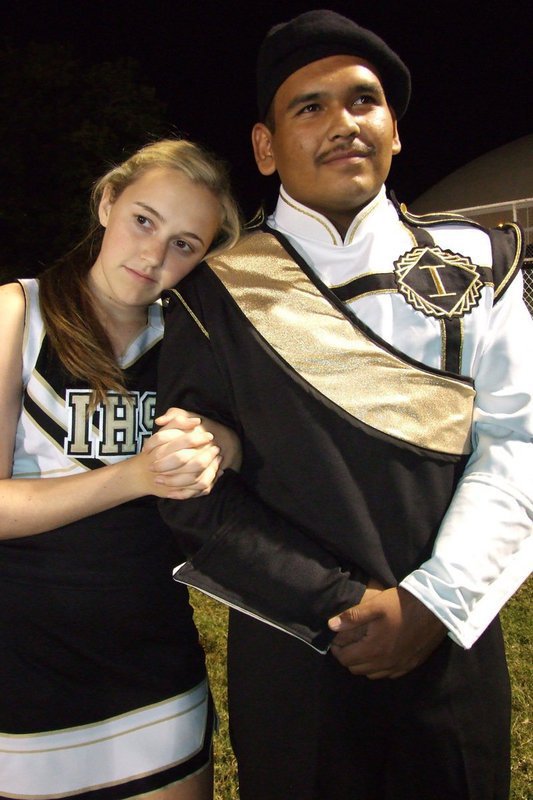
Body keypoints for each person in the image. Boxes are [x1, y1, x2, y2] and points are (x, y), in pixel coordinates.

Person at [155, 11, 533, 800]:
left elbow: (518, 438)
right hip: (294, 657)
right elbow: (196, 499)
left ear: (394, 130)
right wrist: (338, 603)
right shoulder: (209, 295)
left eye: (364, 101)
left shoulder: (482, 260)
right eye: (309, 106)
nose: (342, 124)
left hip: (453, 648)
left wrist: (432, 601)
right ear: (265, 147)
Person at [0, 138, 242, 800]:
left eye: (185, 245)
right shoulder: (17, 314)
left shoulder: (189, 343)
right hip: (26, 666)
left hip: (155, 661)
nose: (154, 256)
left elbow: (248, 454)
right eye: (144, 220)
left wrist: (223, 441)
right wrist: (133, 476)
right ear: (107, 202)